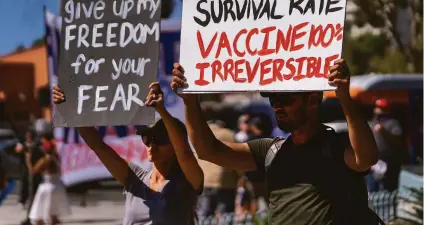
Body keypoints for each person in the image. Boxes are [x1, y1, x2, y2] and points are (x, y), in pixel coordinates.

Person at [171, 59, 379, 225]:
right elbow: (209, 151)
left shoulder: (335, 146)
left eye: (286, 99)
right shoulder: (271, 150)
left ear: (313, 101)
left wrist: (344, 98)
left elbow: (366, 158)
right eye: (273, 99)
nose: (277, 106)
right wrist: (190, 101)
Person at [53, 82, 203, 225]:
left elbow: (185, 154)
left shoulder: (187, 182)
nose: (152, 145)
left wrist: (162, 111)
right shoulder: (135, 179)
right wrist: (70, 110)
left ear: (176, 144)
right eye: (147, 139)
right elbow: (98, 146)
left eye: (160, 139)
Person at [26, 139, 70, 225]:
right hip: (58, 187)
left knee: (39, 217)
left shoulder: (46, 159)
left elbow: (33, 171)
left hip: (47, 188)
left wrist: (27, 158)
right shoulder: (57, 158)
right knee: (54, 217)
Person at [368, 99, 409, 192]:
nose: (379, 110)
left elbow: (397, 140)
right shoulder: (373, 123)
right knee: (372, 190)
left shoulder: (392, 123)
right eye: (378, 108)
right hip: (374, 162)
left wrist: (384, 132)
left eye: (382, 108)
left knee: (389, 189)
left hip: (388, 161)